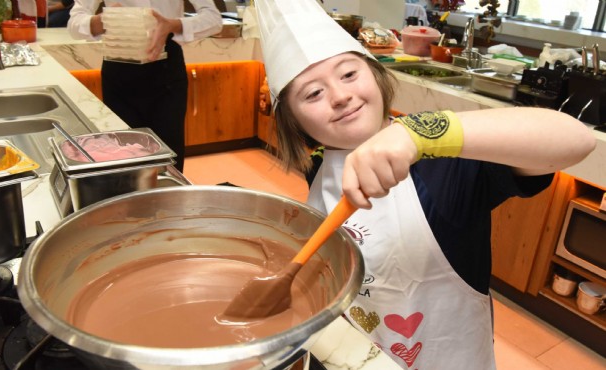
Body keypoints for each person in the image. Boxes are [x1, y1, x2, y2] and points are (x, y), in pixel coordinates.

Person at [254, 0, 596, 369]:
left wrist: (418, 135)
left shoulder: (444, 166)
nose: (339, 96)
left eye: (349, 74)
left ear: (375, 73)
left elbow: (576, 140)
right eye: (313, 94)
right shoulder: (322, 165)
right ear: (294, 123)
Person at [67, 1, 222, 173]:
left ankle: (170, 196)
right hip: (119, 71)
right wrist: (102, 21)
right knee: (124, 159)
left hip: (167, 72)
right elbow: (74, 22)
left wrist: (174, 25)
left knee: (169, 159)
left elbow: (214, 19)